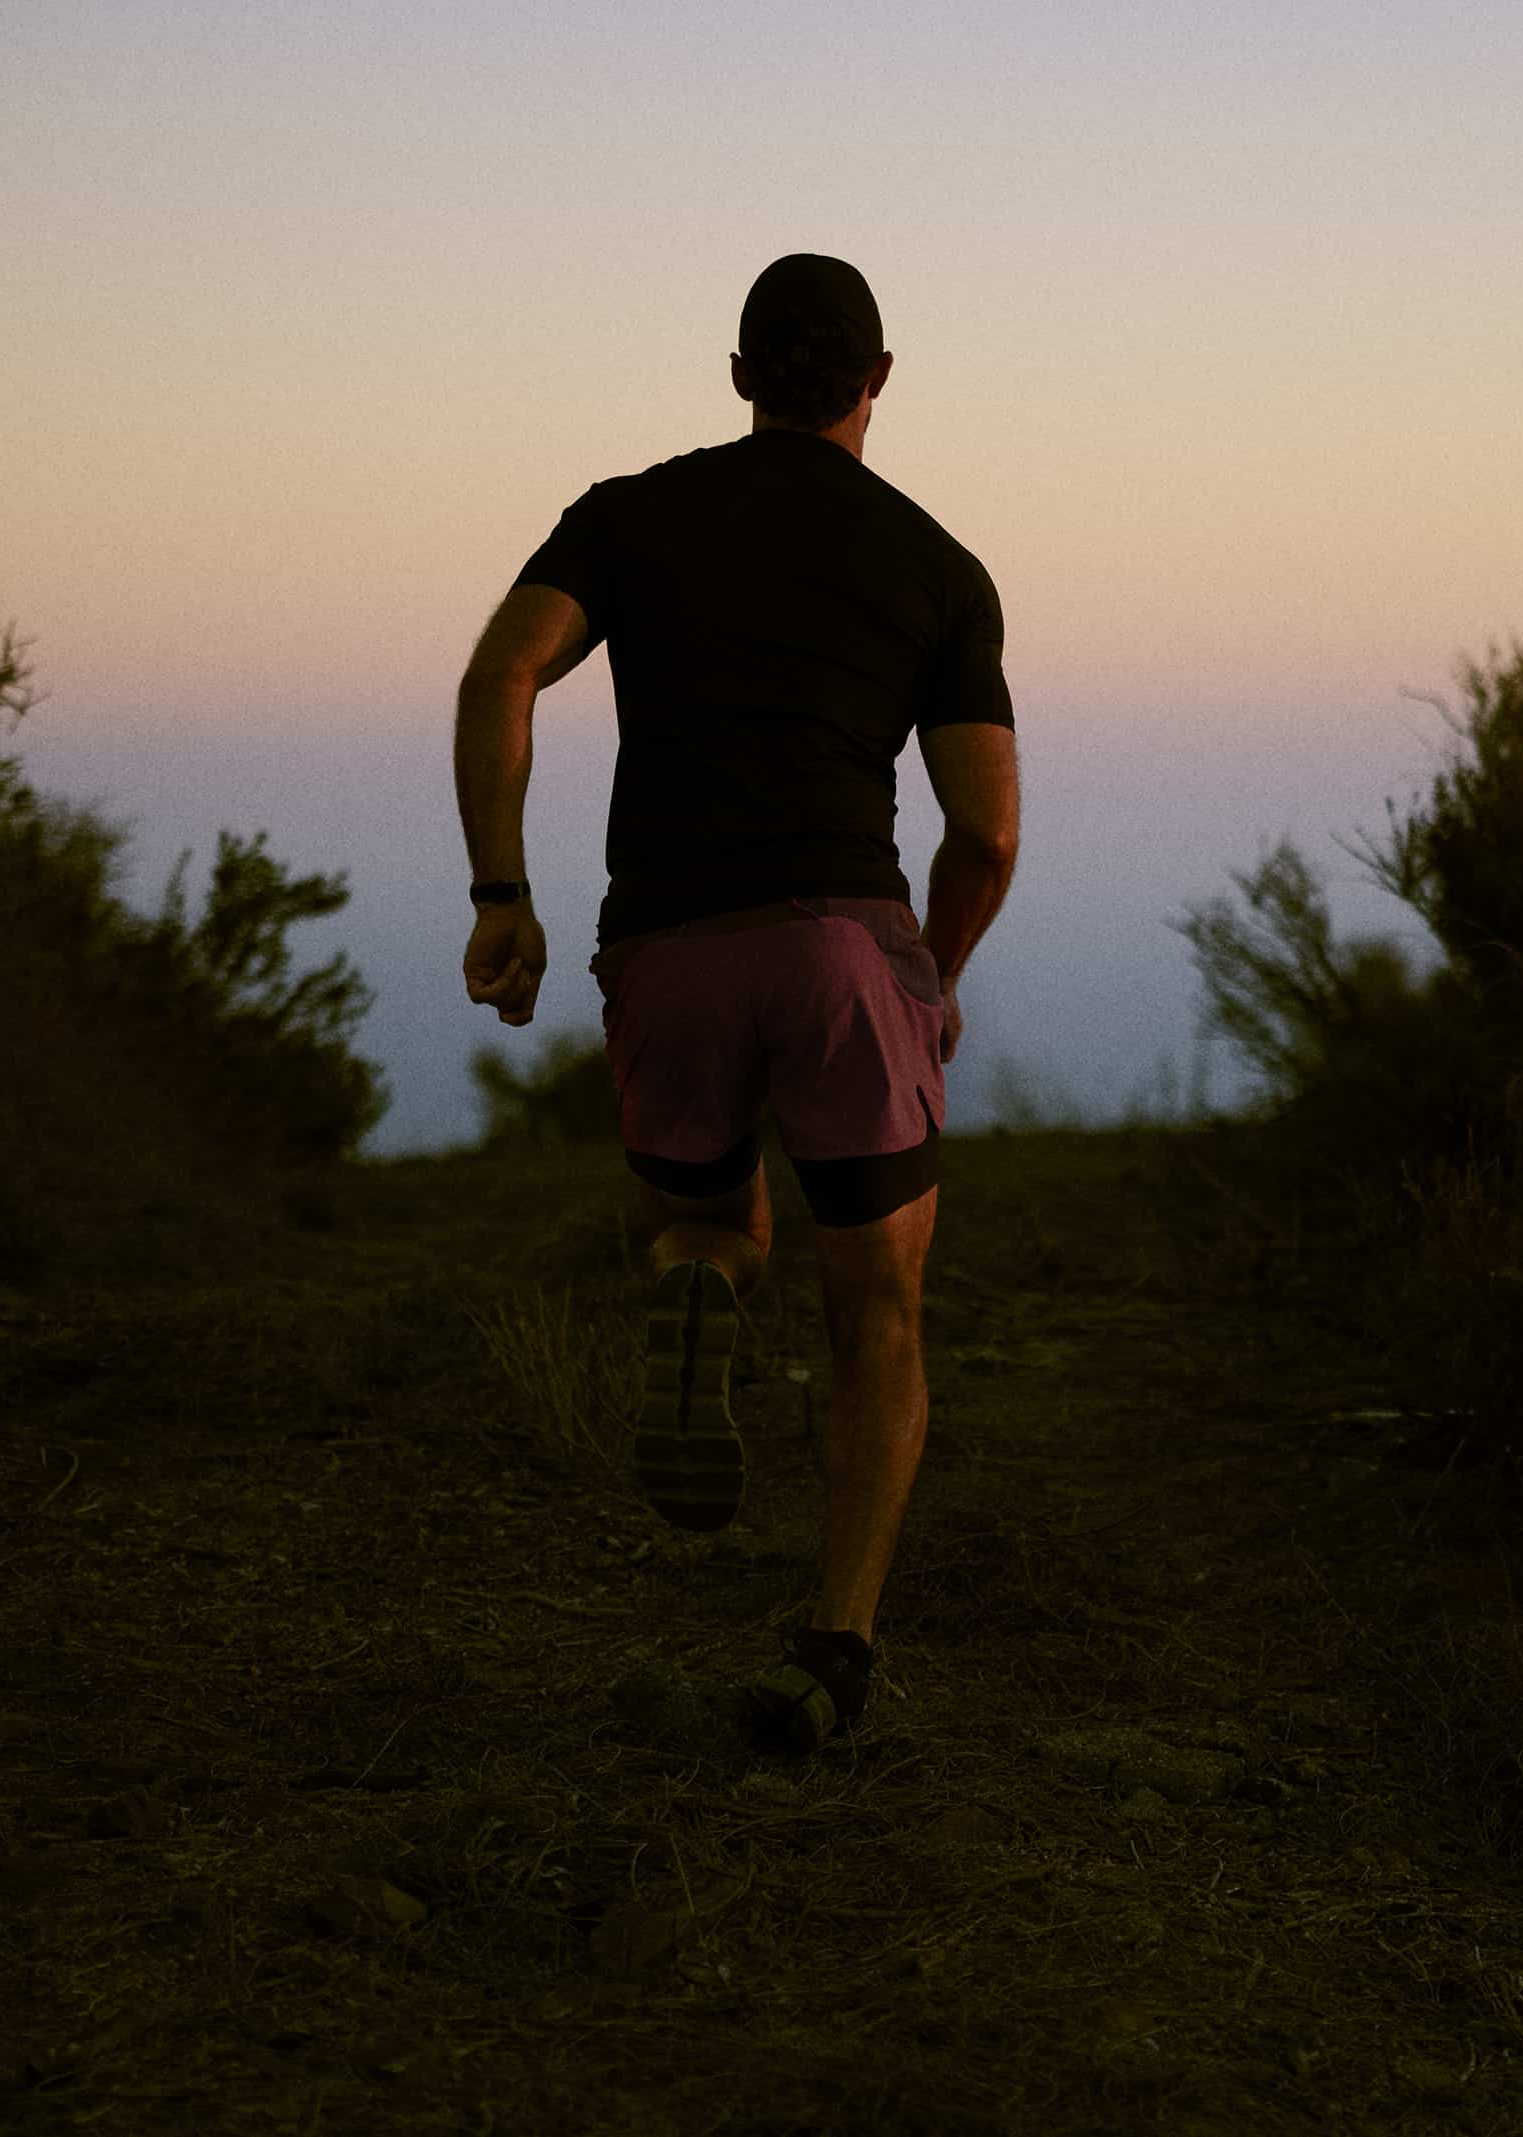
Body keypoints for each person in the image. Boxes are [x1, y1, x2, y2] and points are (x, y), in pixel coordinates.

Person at [451, 254, 1020, 1756]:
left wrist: (499, 895)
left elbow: (503, 671)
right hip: (841, 941)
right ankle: (832, 1644)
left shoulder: (630, 515)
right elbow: (990, 832)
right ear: (879, 380)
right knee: (877, 1306)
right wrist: (933, 975)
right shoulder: (937, 564)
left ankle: (703, 1284)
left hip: (669, 946)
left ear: (738, 374)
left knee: (706, 1223)